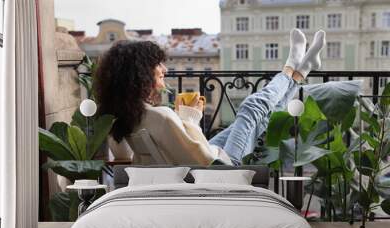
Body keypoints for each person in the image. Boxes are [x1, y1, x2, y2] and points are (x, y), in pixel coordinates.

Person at [96, 29, 326, 166]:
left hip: (191, 169)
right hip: (219, 170)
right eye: (158, 64)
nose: (164, 69)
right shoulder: (162, 116)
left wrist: (186, 120)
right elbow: (204, 160)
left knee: (258, 119)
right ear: (141, 72)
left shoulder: (126, 115)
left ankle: (300, 72)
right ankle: (290, 69)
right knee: (252, 107)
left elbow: (125, 156)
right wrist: (191, 119)